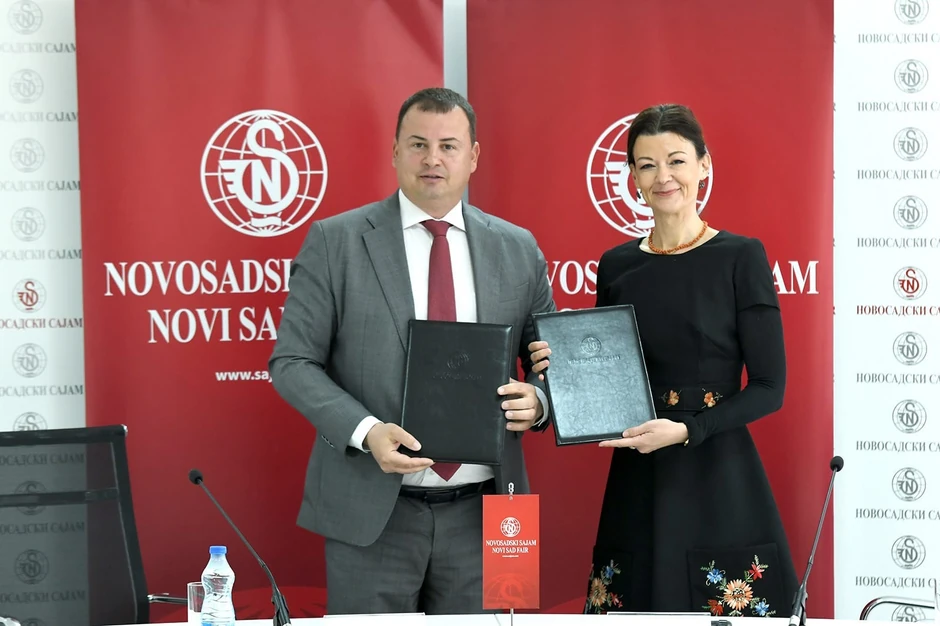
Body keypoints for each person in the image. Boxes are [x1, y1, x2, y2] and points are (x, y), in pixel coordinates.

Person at [269, 87, 556, 615]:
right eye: (418, 144)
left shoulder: (519, 248)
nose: (432, 159)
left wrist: (538, 401)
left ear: (473, 155)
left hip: (494, 513)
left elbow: (551, 364)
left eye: (449, 146)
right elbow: (291, 362)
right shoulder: (335, 241)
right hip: (372, 511)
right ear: (395, 151)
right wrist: (366, 432)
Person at [529, 103, 798, 617]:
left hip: (717, 472)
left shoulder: (741, 257)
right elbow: (604, 376)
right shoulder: (616, 265)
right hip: (640, 476)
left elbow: (770, 387)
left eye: (676, 161)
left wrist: (687, 430)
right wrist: (557, 367)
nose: (663, 177)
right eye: (647, 165)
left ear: (704, 164)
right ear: (632, 177)